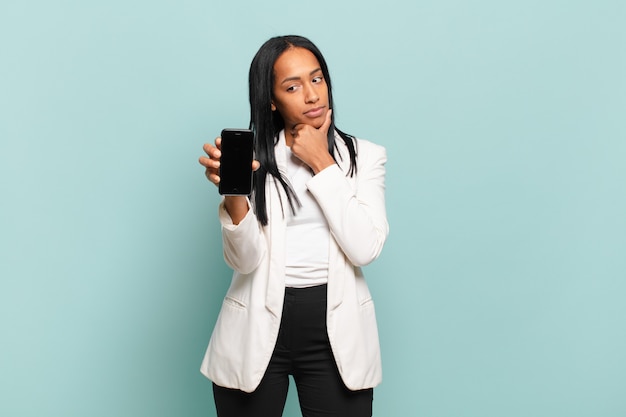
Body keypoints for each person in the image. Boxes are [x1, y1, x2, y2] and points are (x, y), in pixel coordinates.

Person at [198, 35, 389, 417]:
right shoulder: (253, 159)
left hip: (336, 333)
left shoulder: (365, 157)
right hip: (256, 323)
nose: (312, 95)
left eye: (317, 79)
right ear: (271, 100)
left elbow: (365, 247)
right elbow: (245, 261)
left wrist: (323, 163)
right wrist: (234, 195)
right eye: (292, 86)